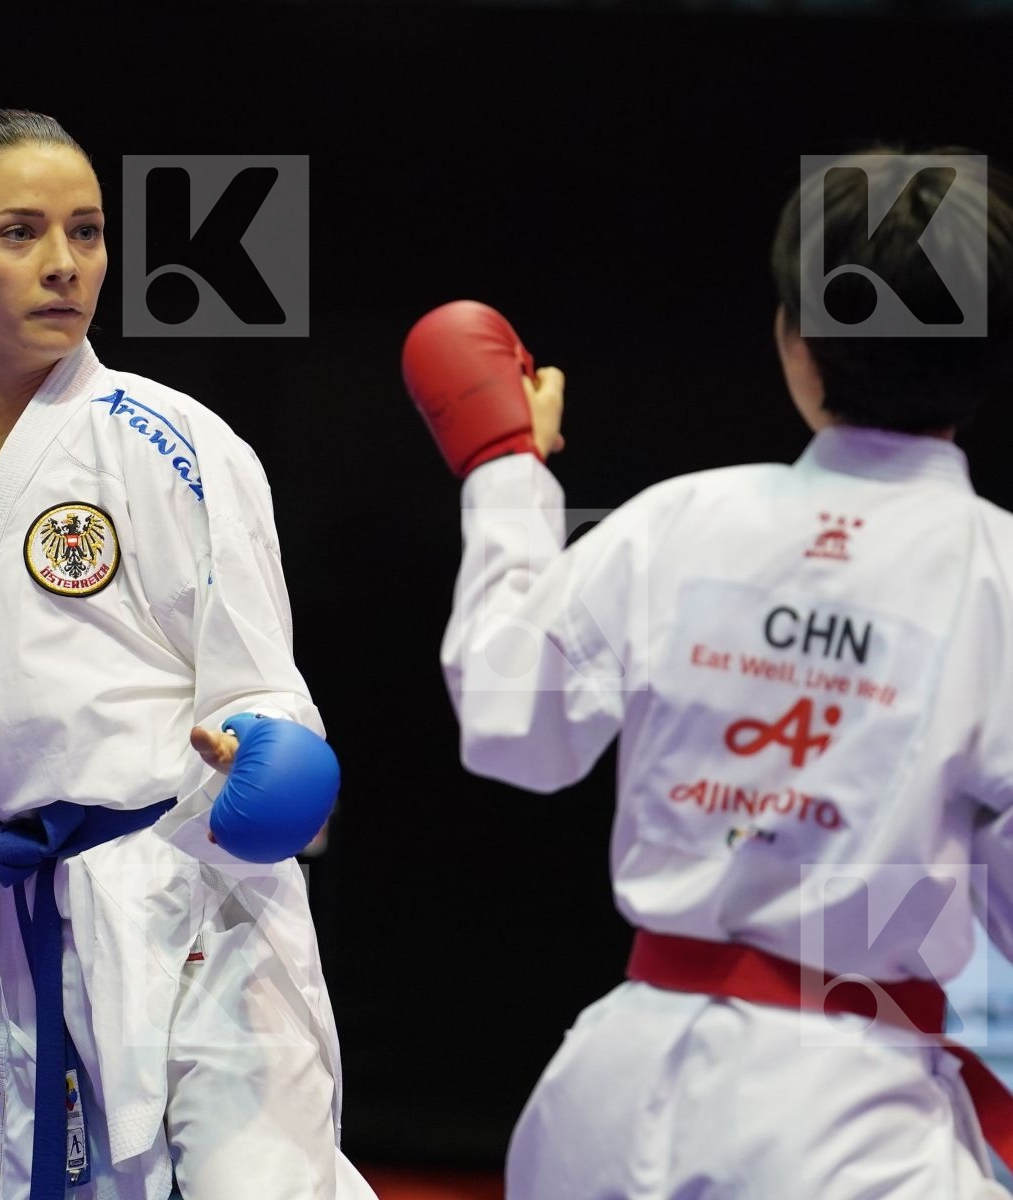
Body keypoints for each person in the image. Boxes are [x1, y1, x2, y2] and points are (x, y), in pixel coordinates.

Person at [0, 109, 376, 1200]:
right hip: (25, 929)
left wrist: (269, 764)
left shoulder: (168, 437)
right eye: (21, 232)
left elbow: (264, 693)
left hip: (197, 922)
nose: (65, 265)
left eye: (86, 232)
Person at [402, 147, 1013, 1198]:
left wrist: (504, 473)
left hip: (610, 1092)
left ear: (793, 341)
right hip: (848, 1118)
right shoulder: (993, 574)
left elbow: (511, 728)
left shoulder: (679, 520)